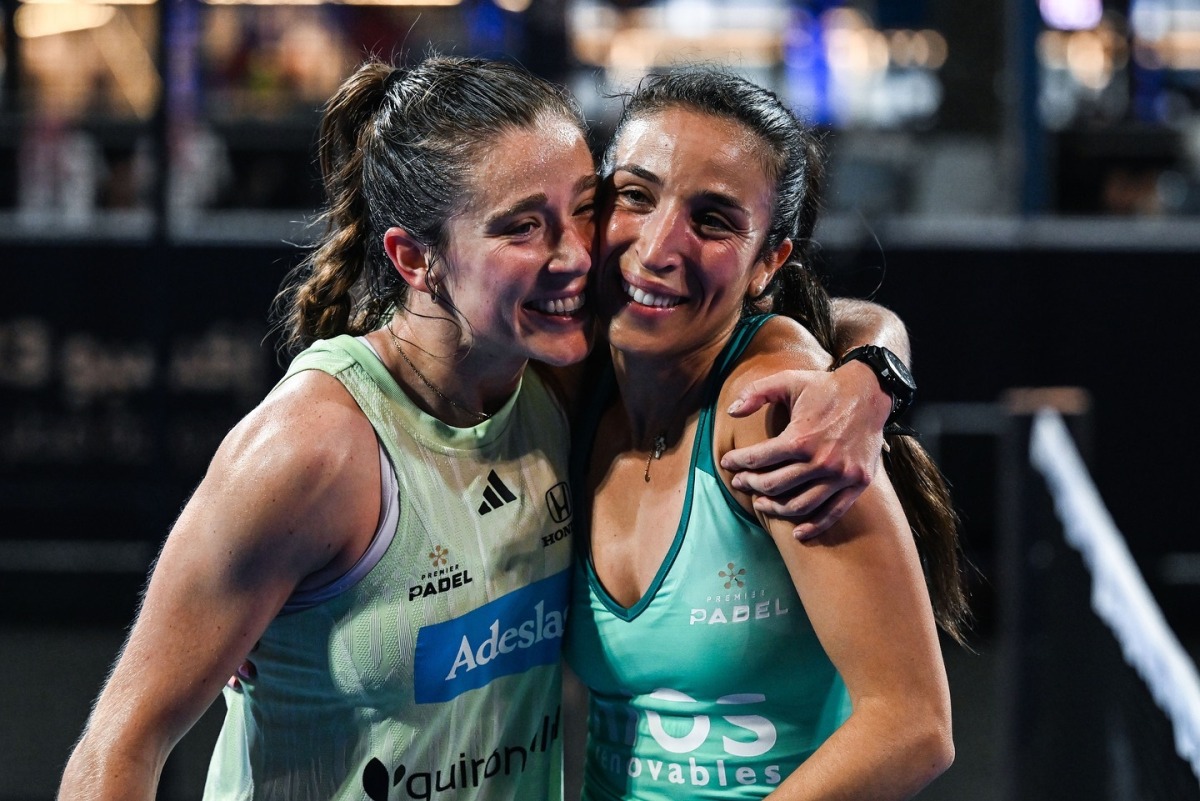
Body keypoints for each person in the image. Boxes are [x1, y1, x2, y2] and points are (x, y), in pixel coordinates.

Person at [57, 55, 915, 801]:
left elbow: (766, 319)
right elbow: (116, 745)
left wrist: (873, 373)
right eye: (522, 227)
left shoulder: (560, 378)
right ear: (414, 258)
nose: (576, 255)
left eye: (583, 209)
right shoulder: (312, 449)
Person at [563, 68, 970, 801]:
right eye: (636, 196)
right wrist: (877, 364)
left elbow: (912, 726)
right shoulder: (572, 378)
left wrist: (869, 374)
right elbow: (853, 318)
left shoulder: (773, 410)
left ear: (768, 263)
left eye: (713, 220)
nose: (657, 247)